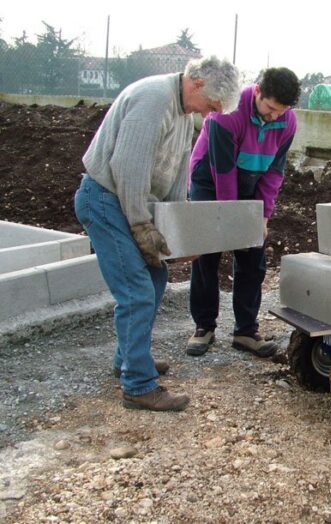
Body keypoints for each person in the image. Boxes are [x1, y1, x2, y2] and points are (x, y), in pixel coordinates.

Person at [74, 57, 240, 411]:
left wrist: (178, 233)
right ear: (196, 83)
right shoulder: (153, 99)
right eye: (212, 105)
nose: (211, 113)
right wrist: (140, 225)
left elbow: (177, 178)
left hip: (128, 204)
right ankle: (138, 385)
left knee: (155, 279)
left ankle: (128, 361)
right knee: (136, 292)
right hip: (107, 201)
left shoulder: (183, 114)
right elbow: (127, 168)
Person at [186, 67, 301, 358]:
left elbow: (275, 171)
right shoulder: (228, 114)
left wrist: (262, 217)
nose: (275, 116)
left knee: (253, 256)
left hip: (251, 179)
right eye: (271, 108)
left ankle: (246, 331)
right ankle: (204, 326)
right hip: (210, 180)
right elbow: (223, 173)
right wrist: (229, 223)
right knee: (206, 254)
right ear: (258, 91)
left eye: (282, 110)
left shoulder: (287, 121)